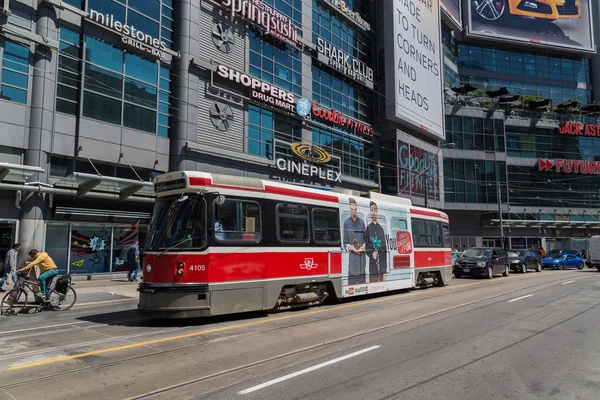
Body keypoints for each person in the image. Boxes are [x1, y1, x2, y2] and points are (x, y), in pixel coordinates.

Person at [343, 198, 366, 285]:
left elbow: (366, 241)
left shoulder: (362, 223)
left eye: (355, 209)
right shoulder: (346, 223)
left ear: (357, 209)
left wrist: (364, 247)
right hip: (352, 264)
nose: (353, 212)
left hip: (362, 263)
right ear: (349, 209)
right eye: (351, 209)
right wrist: (350, 247)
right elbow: (344, 242)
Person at [365, 201, 387, 283]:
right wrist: (371, 253)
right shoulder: (368, 228)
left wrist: (384, 270)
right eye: (371, 210)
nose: (373, 212)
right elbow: (367, 246)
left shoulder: (381, 229)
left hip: (381, 267)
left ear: (377, 212)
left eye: (375, 210)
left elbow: (384, 249)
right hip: (372, 267)